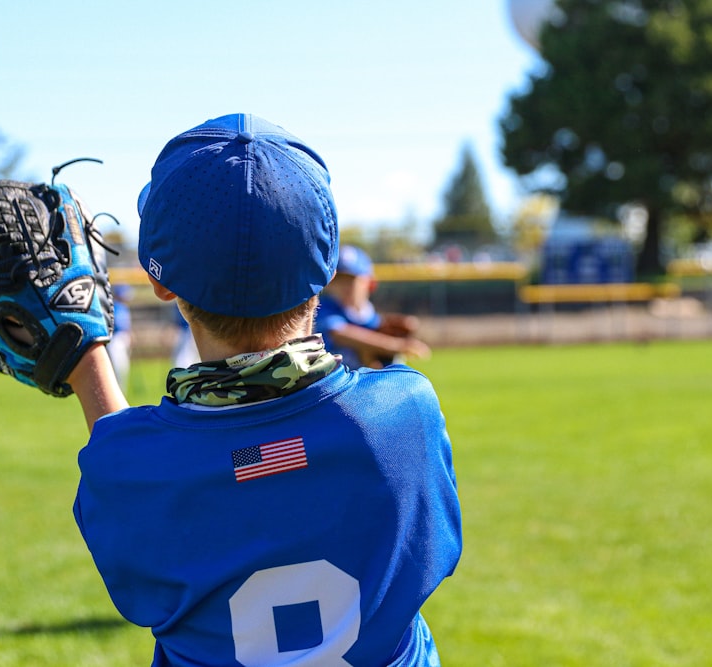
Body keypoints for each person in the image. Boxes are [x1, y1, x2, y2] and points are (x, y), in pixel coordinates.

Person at [66, 113, 462, 667]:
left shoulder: (126, 459)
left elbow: (158, 473)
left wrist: (85, 360)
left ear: (159, 281)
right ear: (326, 268)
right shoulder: (405, 413)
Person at [315, 245, 431, 369]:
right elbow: (339, 332)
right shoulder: (322, 308)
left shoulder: (375, 321)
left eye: (352, 280)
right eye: (339, 280)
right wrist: (393, 345)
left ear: (370, 283)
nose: (344, 286)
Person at [106, 283, 134, 390]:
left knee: (123, 366)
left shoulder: (123, 307)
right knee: (116, 365)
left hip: (123, 339)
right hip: (115, 339)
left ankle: (120, 389)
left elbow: (126, 326)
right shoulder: (114, 307)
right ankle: (115, 389)